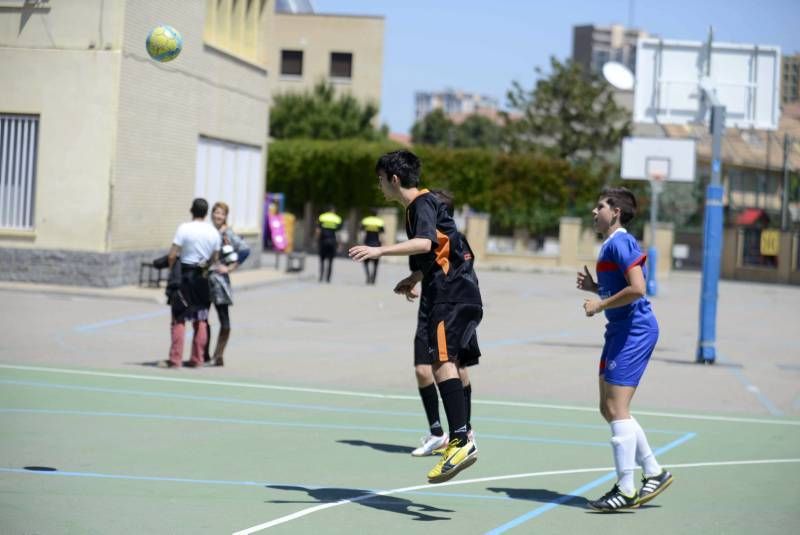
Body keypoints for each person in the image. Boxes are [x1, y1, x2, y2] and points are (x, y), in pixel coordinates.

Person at [349, 150, 481, 484]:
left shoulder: (421, 204)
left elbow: (424, 244)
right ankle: (462, 435)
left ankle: (461, 440)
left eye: (380, 179)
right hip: (459, 291)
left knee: (440, 363)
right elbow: (443, 248)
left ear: (394, 179)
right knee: (447, 362)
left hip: (450, 295)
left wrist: (380, 250)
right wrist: (416, 278)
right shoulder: (427, 206)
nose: (379, 185)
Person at [577, 187, 673, 511]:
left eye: (600, 205)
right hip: (618, 330)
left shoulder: (622, 242)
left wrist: (600, 302)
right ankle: (654, 472)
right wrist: (596, 287)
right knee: (608, 409)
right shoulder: (609, 244)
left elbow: (638, 288)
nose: (594, 211)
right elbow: (623, 284)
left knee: (617, 409)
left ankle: (626, 489)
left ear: (615, 211)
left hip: (634, 331)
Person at [409, 189, 480, 457]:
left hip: (453, 306)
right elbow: (423, 266)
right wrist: (414, 280)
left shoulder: (456, 240)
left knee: (455, 367)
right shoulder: (420, 234)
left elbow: (462, 270)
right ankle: (438, 432)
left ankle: (464, 432)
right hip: (432, 306)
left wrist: (379, 250)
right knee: (424, 369)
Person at [159, 198, 221, 369]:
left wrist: (173, 269)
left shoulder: (184, 228)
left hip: (185, 276)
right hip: (203, 277)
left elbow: (172, 254)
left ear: (191, 210)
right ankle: (197, 359)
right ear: (207, 213)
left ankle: (175, 359)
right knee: (201, 318)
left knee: (179, 317)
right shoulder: (213, 233)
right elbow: (215, 258)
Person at [205, 201, 251, 367]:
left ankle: (219, 355)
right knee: (203, 317)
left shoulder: (227, 234)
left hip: (219, 281)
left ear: (225, 217)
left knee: (223, 318)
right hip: (204, 279)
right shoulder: (208, 231)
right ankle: (204, 353)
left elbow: (245, 250)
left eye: (221, 213)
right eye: (216, 212)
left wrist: (230, 268)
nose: (218, 216)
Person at [317, 206, 342, 283]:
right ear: (333, 211)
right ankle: (328, 278)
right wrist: (339, 244)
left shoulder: (322, 217)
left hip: (323, 241)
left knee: (322, 260)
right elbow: (338, 233)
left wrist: (317, 240)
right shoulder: (337, 219)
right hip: (332, 242)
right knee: (330, 261)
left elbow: (318, 230)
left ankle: (321, 277)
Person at [360, 209, 385, 285]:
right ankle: (373, 279)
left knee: (365, 262)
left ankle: (368, 277)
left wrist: (361, 242)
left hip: (367, 243)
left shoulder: (366, 221)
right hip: (376, 244)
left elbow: (361, 232)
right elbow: (382, 234)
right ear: (376, 214)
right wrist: (383, 244)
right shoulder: (380, 222)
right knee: (376, 264)